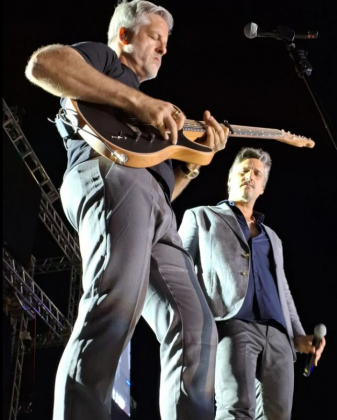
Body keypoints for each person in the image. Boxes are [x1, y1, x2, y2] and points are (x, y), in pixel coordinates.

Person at [25, 1, 229, 420]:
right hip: (108, 174)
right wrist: (139, 103)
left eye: (166, 42)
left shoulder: (152, 121)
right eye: (156, 37)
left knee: (197, 327)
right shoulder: (104, 63)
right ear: (124, 36)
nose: (164, 49)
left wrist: (193, 163)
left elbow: (159, 193)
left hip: (156, 210)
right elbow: (43, 64)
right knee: (114, 307)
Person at [178, 147, 326, 420]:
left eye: (257, 173)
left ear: (262, 188)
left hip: (279, 337)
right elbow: (178, 271)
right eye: (243, 170)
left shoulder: (273, 237)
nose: (250, 176)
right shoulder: (200, 217)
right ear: (230, 179)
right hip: (231, 324)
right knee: (236, 408)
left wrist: (297, 335)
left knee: (278, 416)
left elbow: (283, 289)